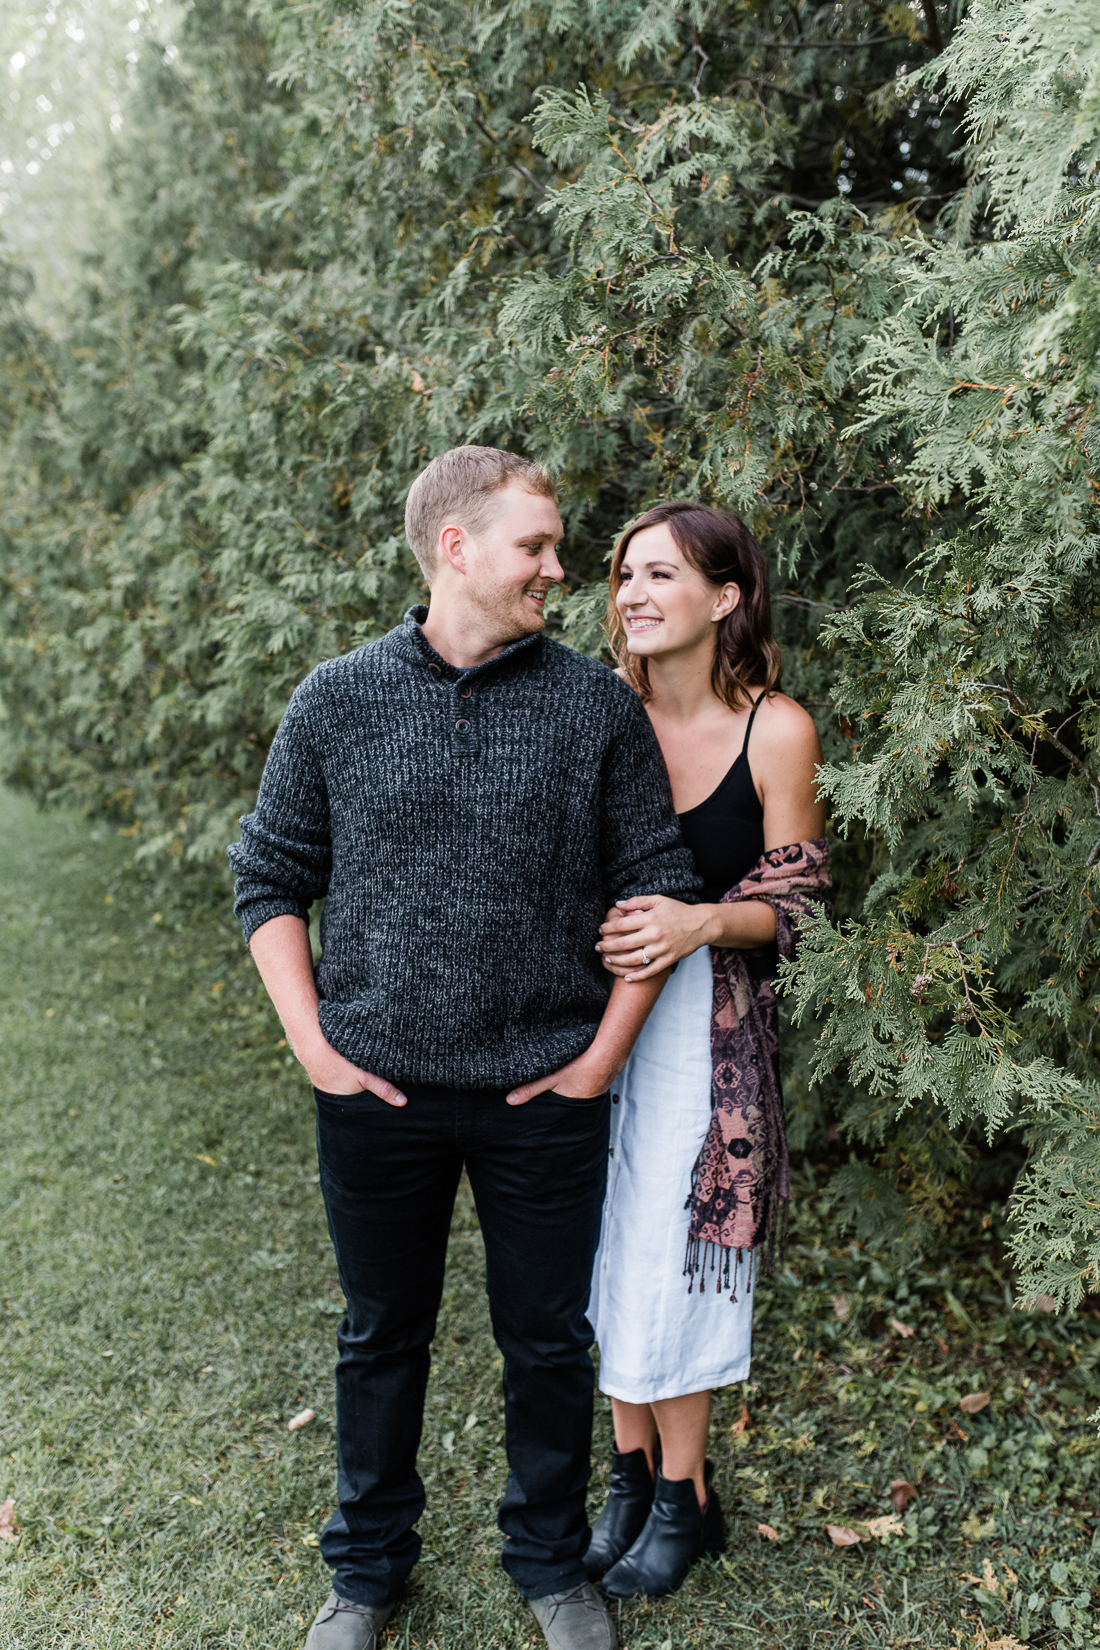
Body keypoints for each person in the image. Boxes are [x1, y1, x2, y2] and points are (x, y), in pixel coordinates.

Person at [227, 448, 702, 1650]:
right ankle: (367, 1572)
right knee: (378, 1333)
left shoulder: (594, 705)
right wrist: (314, 1045)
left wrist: (597, 1060)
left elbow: (655, 888)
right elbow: (268, 878)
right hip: (375, 1087)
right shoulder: (336, 698)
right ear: (456, 547)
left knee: (546, 1340)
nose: (557, 566)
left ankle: (549, 1564)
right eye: (536, 546)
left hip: (542, 1090)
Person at [583, 501, 830, 1599]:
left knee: (669, 1255)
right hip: (586, 1013)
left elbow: (804, 904)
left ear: (724, 596)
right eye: (624, 575)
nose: (631, 594)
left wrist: (697, 921)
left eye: (660, 575)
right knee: (592, 1247)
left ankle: (685, 1496)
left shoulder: (774, 729)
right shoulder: (597, 711)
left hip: (705, 1027)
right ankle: (628, 1478)